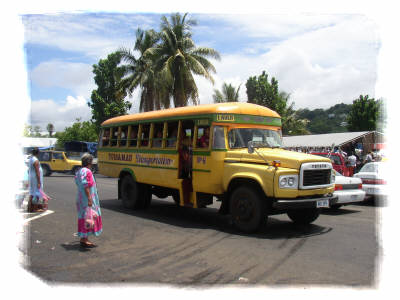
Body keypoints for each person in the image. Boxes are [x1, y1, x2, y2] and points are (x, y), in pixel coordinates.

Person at [74, 153, 102, 248]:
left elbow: (79, 184)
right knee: (90, 217)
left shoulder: (79, 171)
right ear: (90, 162)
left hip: (81, 198)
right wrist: (90, 198)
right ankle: (84, 239)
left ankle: (84, 237)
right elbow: (86, 185)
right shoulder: (88, 172)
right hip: (87, 198)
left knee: (83, 217)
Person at [28, 148, 47, 212]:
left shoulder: (31, 159)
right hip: (35, 178)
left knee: (32, 192)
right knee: (37, 192)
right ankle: (35, 208)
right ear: (38, 153)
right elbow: (37, 171)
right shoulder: (35, 160)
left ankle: (30, 207)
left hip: (32, 177)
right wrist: (39, 182)